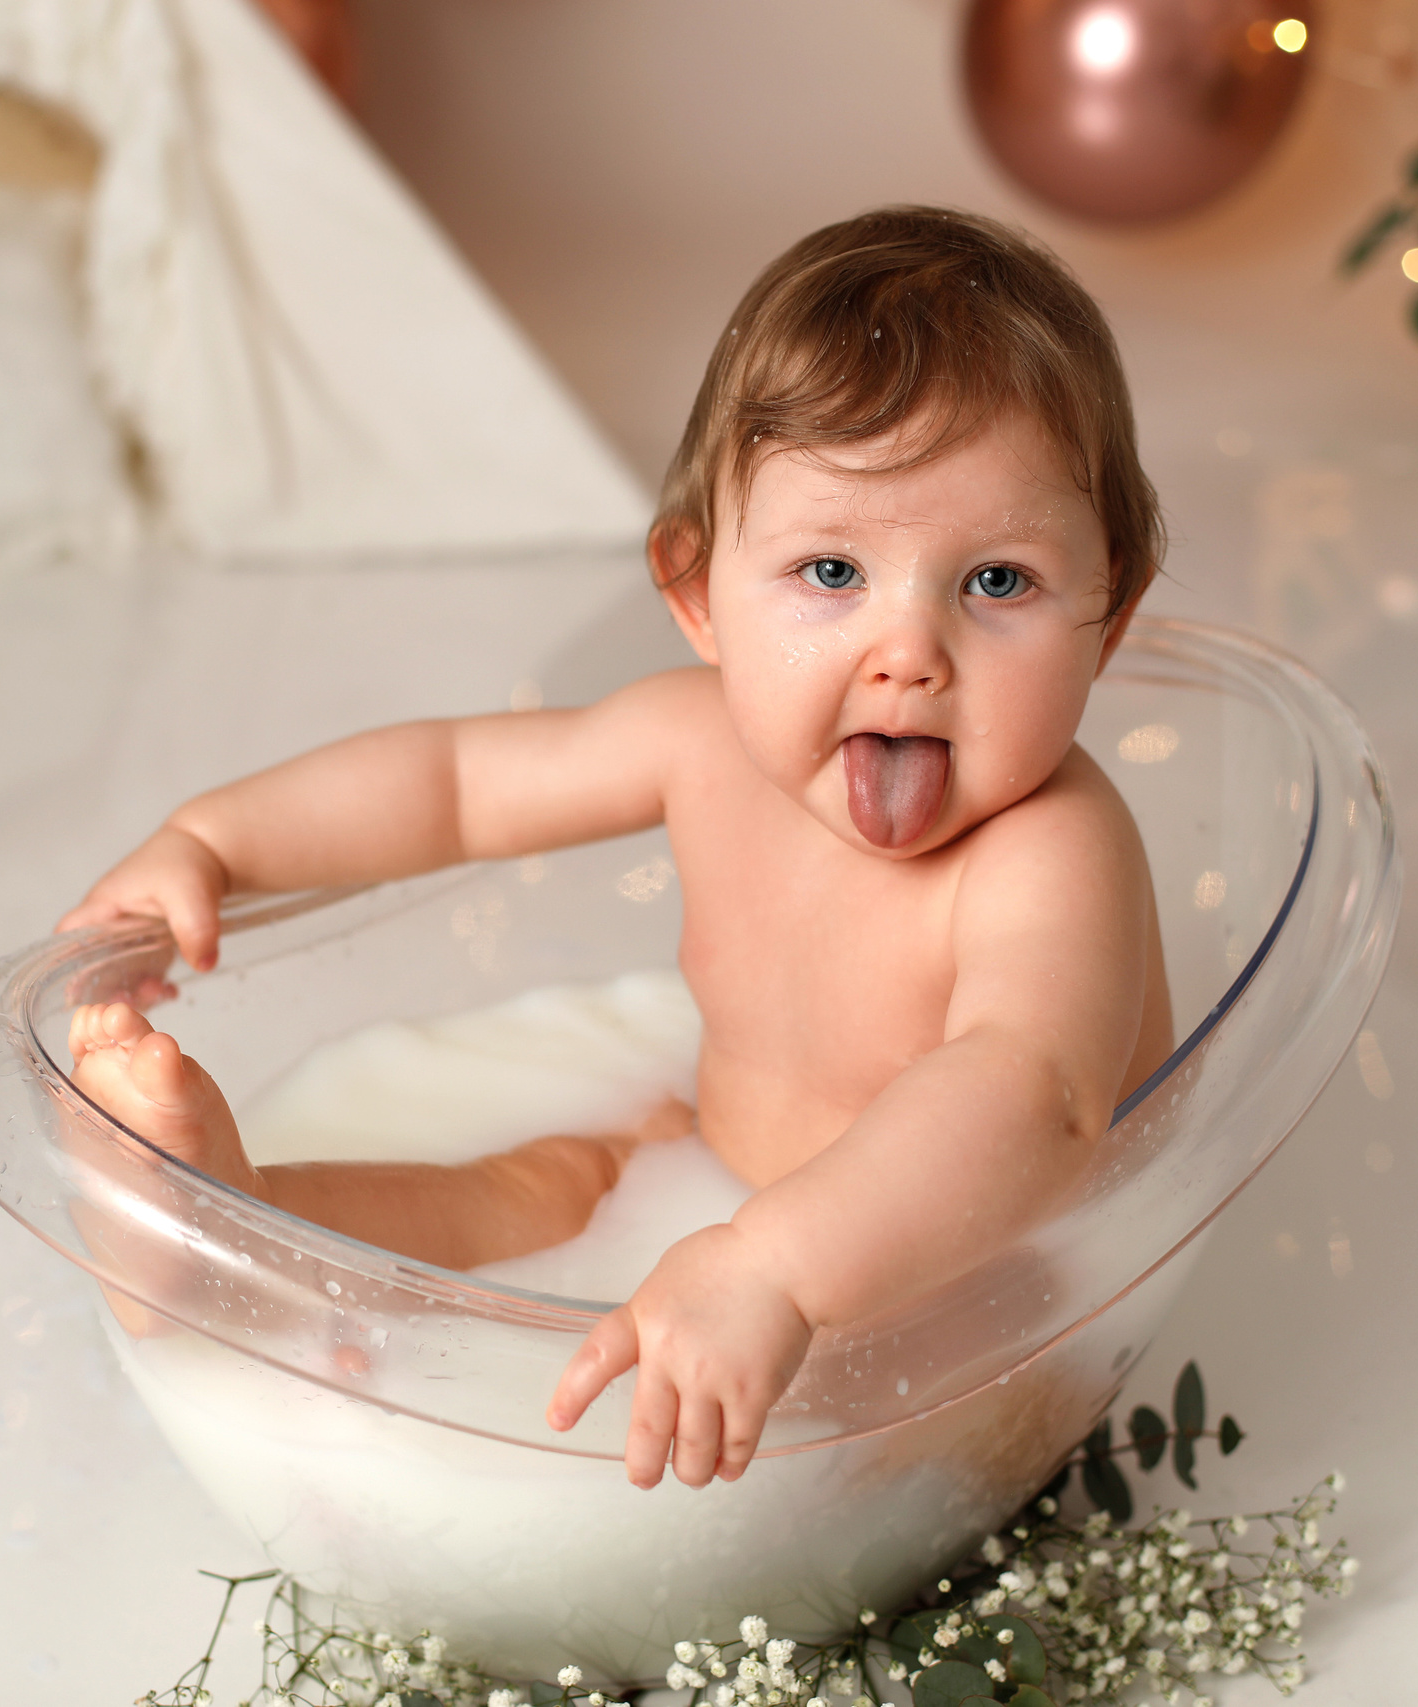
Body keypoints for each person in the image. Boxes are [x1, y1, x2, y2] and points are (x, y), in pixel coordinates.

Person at [57, 206, 1173, 1491]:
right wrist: (216, 841)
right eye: (828, 572)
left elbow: (1032, 1089)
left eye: (997, 584)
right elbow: (457, 783)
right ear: (696, 592)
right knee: (525, 1195)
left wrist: (778, 1266)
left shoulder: (1055, 851)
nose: (908, 652)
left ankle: (770, 1475)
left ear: (1111, 609)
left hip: (955, 1263)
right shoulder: (696, 740)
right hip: (706, 1170)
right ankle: (230, 1230)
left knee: (942, 1383)